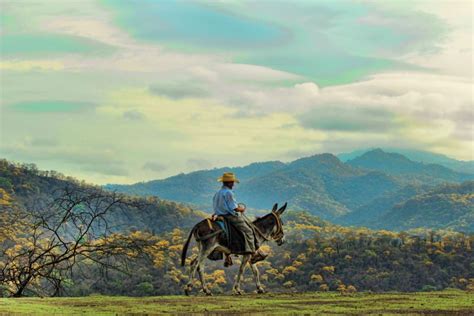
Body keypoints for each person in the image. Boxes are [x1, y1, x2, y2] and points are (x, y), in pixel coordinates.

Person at [212, 172, 266, 266]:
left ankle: (228, 256)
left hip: (218, 215)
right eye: (232, 182)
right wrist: (242, 209)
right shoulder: (229, 192)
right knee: (248, 230)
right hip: (229, 216)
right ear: (228, 183)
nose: (233, 184)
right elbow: (234, 208)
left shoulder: (217, 193)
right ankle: (253, 253)